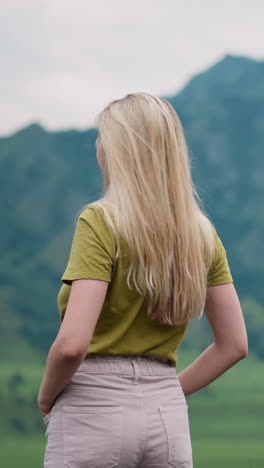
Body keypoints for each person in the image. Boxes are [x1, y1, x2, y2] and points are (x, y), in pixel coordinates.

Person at [38, 92, 248, 468]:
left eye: (102, 135)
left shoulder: (100, 221)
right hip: (168, 416)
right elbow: (234, 345)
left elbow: (72, 345)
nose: (97, 145)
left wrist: (47, 396)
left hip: (93, 406)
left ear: (120, 149)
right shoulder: (202, 233)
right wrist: (164, 392)